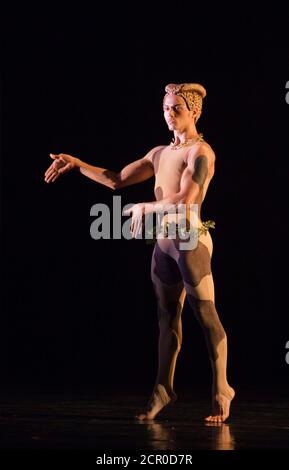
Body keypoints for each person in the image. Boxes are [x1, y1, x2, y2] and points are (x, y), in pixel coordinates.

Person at [44, 82, 235, 423]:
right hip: (163, 245)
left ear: (194, 111)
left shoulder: (201, 152)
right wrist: (77, 164)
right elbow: (117, 179)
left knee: (206, 318)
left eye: (176, 108)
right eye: (165, 108)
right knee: (166, 320)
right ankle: (164, 388)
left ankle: (222, 387)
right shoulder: (159, 153)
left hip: (190, 241)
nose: (169, 115)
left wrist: (148, 207)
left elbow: (188, 199)